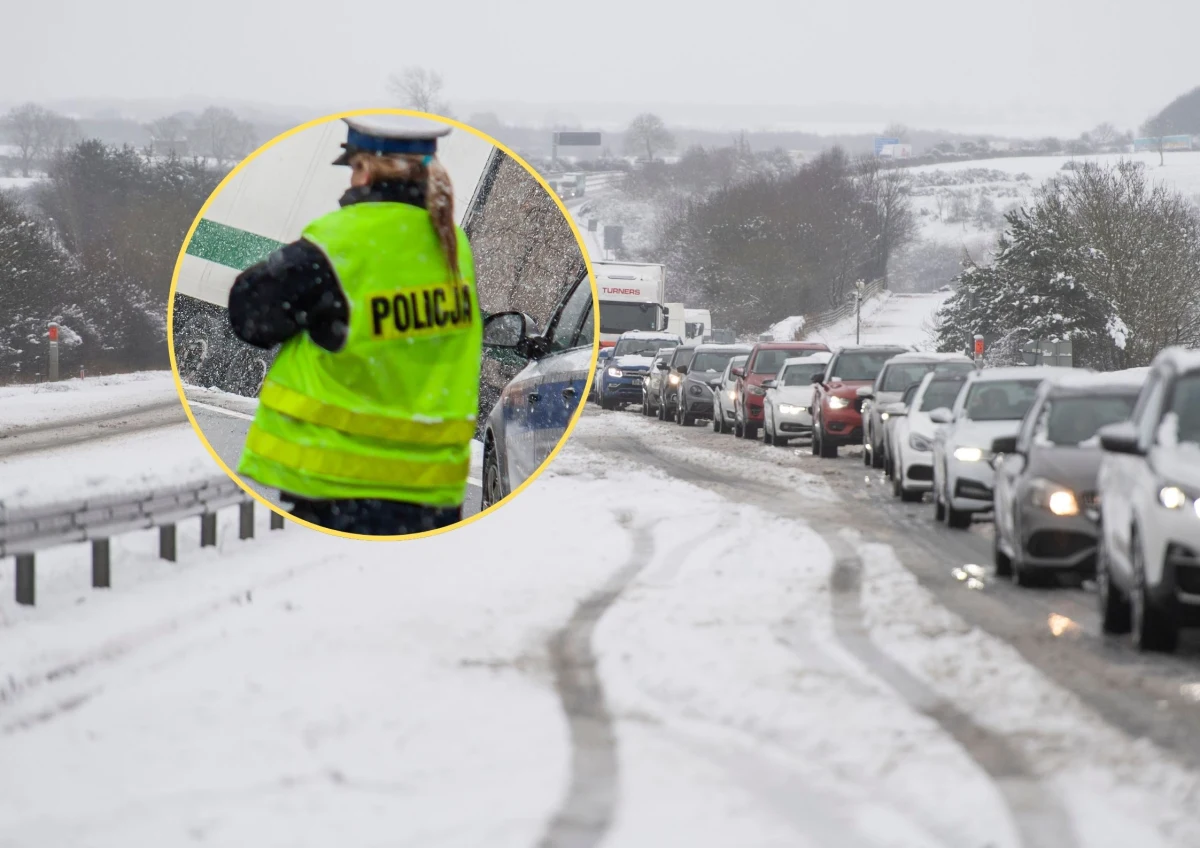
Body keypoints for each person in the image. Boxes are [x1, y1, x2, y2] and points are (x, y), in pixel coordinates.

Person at [227, 115, 482, 536]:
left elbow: (250, 316)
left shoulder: (341, 241)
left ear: (363, 168)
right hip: (431, 491)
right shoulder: (452, 245)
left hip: (341, 489)